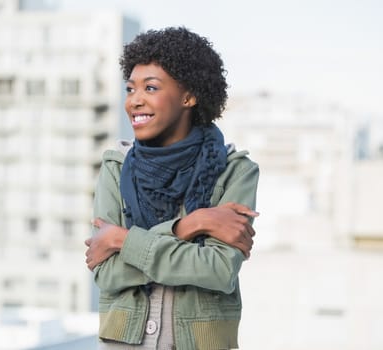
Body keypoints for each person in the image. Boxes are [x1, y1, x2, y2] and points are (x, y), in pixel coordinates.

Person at [84, 26, 260, 350]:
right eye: (130, 89)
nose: (134, 101)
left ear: (189, 96)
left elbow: (219, 270)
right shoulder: (116, 168)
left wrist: (122, 240)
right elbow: (106, 274)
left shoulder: (236, 171)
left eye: (150, 88)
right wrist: (191, 225)